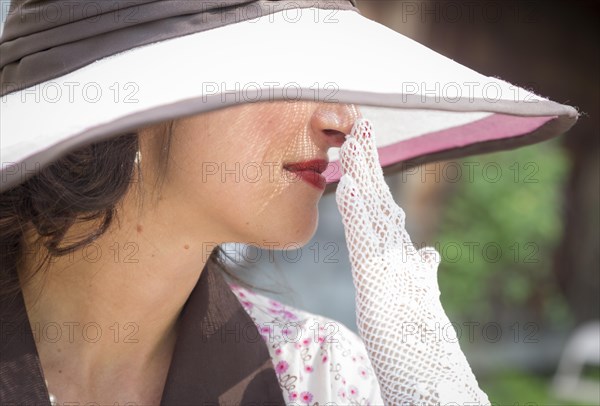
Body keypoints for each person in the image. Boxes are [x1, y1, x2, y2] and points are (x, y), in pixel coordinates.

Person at [0, 1, 578, 405]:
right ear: (141, 102)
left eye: (337, 80)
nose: (342, 121)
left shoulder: (316, 372)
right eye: (291, 70)